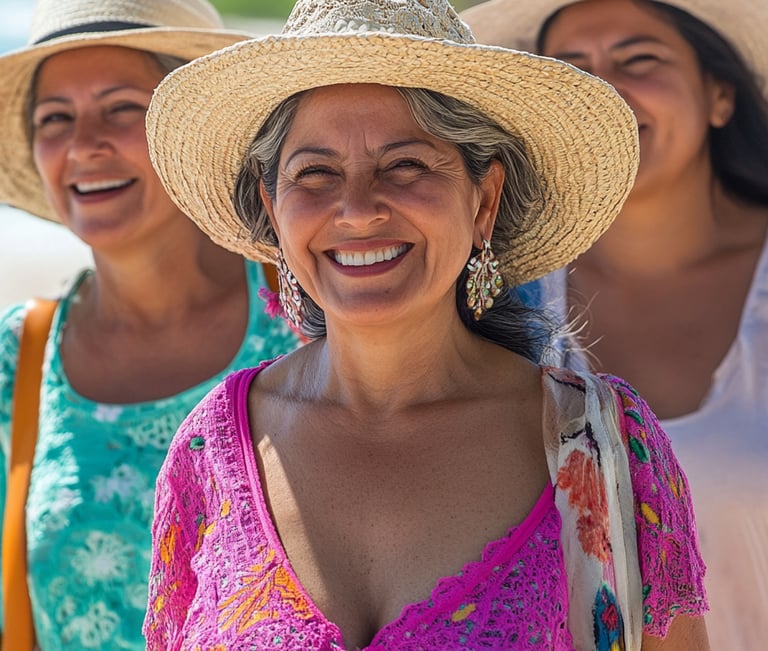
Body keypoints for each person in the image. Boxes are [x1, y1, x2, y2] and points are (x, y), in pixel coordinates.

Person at [141, 0, 711, 648]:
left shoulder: (604, 448)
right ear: (273, 208)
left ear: (484, 200)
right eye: (316, 173)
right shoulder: (210, 450)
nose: (356, 210)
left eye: (405, 165)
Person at [463, 1, 768, 648]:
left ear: (721, 94)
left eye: (640, 59)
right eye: (572, 69)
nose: (604, 90)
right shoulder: (496, 304)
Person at [0, 0, 302, 648]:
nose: (84, 144)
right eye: (56, 118)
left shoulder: (307, 312)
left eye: (120, 108)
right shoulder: (16, 360)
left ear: (190, 128)